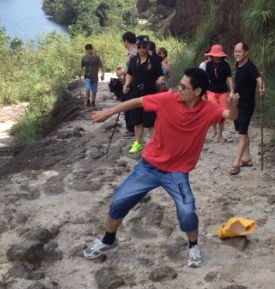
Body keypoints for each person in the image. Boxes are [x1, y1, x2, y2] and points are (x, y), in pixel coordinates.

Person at [86, 68, 240, 267]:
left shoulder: (208, 110)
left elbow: (231, 115)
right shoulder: (168, 99)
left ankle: (193, 246)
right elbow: (138, 101)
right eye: (180, 84)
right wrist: (108, 112)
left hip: (176, 173)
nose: (179, 88)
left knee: (187, 211)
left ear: (198, 91)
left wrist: (233, 105)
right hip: (149, 166)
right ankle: (109, 240)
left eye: (184, 87)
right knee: (118, 203)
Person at [123, 35, 165, 153]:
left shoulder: (155, 61)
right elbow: (129, 74)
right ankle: (138, 143)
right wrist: (126, 85)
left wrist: (160, 80)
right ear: (136, 47)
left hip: (150, 95)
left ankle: (155, 144)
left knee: (151, 121)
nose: (141, 48)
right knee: (137, 120)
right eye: (139, 46)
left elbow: (160, 75)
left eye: (144, 46)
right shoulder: (132, 60)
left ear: (148, 47)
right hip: (135, 94)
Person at [230, 42, 265, 175]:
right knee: (241, 130)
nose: (236, 54)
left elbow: (259, 79)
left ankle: (236, 163)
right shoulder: (238, 65)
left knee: (242, 132)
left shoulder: (250, 66)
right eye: (235, 51)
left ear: (246, 53)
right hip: (237, 103)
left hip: (247, 105)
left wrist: (262, 88)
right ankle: (247, 158)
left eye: (239, 51)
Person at [203, 44, 234, 142]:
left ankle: (220, 134)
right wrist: (203, 91)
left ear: (221, 55)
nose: (216, 57)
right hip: (211, 90)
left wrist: (232, 90)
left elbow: (229, 79)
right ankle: (214, 130)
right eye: (214, 55)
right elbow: (206, 79)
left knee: (222, 113)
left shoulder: (226, 66)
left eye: (218, 55)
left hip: (223, 91)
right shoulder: (208, 65)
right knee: (212, 112)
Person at [118, 31, 137, 137]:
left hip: (131, 83)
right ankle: (133, 128)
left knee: (128, 106)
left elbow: (131, 70)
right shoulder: (137, 50)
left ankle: (131, 129)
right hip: (134, 82)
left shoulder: (132, 53)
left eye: (123, 41)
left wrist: (121, 73)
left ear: (126, 41)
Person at [79, 43, 104, 108]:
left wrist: (102, 74)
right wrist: (80, 72)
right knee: (87, 88)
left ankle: (93, 102)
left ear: (92, 49)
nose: (89, 51)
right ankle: (88, 101)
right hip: (87, 77)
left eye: (90, 49)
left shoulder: (96, 58)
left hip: (95, 77)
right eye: (87, 50)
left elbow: (101, 66)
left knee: (94, 91)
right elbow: (81, 66)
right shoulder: (84, 58)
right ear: (86, 50)